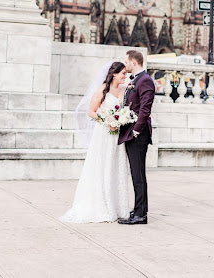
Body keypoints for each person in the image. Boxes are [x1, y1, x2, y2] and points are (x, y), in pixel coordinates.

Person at [60, 61, 131, 223]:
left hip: (117, 136)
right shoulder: (102, 90)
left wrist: (121, 120)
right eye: (123, 73)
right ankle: (102, 206)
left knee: (115, 168)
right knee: (102, 167)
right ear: (114, 74)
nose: (125, 76)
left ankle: (117, 206)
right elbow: (91, 112)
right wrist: (107, 120)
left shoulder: (124, 90)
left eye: (126, 74)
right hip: (104, 133)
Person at [118, 50, 155, 225]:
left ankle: (141, 214)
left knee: (138, 174)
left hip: (138, 135)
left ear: (134, 62)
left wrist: (136, 131)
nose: (125, 64)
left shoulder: (145, 80)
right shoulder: (136, 80)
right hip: (131, 132)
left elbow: (145, 109)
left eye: (126, 61)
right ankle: (140, 210)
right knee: (136, 173)